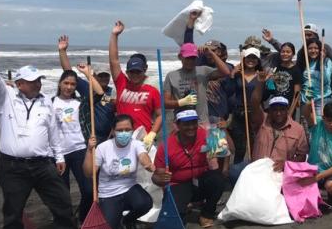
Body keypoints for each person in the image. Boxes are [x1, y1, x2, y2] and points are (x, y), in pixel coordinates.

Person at [0, 39, 77, 229]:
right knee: (13, 213)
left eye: (39, 80)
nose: (38, 84)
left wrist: (58, 156)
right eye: (33, 81)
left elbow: (53, 132)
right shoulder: (6, 96)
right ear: (19, 83)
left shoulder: (46, 102)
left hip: (42, 164)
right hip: (13, 167)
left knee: (63, 203)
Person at [152, 107, 228, 229]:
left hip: (200, 179)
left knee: (218, 179)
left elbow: (226, 151)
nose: (191, 127)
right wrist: (160, 178)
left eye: (194, 122)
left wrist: (223, 169)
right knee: (175, 222)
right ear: (177, 125)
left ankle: (207, 213)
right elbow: (156, 177)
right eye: (186, 124)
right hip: (178, 183)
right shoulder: (165, 146)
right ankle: (183, 206)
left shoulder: (206, 134)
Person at [84, 115, 154, 229]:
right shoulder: (103, 147)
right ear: (113, 131)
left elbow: (143, 156)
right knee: (110, 228)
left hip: (129, 188)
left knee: (145, 203)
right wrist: (89, 150)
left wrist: (148, 164)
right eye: (120, 130)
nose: (124, 133)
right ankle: (118, 222)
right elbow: (88, 173)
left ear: (132, 130)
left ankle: (126, 221)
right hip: (108, 193)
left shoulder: (136, 144)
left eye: (127, 130)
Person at [52, 67, 100, 224]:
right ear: (60, 84)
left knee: (88, 190)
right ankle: (67, 221)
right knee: (62, 193)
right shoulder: (50, 103)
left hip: (81, 150)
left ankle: (83, 218)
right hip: (59, 154)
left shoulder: (81, 102)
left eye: (73, 84)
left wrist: (88, 74)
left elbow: (102, 95)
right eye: (66, 83)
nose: (69, 87)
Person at [108, 21, 162, 149]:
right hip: (122, 136)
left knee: (145, 168)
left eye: (138, 71)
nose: (135, 75)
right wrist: (114, 35)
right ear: (127, 72)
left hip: (144, 139)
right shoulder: (122, 83)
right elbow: (113, 60)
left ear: (144, 71)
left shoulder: (152, 91)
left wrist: (153, 133)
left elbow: (160, 115)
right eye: (131, 72)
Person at [57, 35, 115, 144]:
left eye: (106, 76)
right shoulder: (86, 87)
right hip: (90, 136)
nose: (104, 78)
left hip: (108, 138)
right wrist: (62, 52)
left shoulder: (113, 92)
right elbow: (68, 73)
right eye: (101, 75)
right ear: (94, 75)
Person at [163, 42, 230, 125]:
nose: (190, 61)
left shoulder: (203, 71)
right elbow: (165, 103)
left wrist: (211, 53)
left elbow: (226, 72)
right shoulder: (171, 76)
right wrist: (181, 102)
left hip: (202, 123)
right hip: (181, 123)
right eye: (187, 58)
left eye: (193, 58)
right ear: (180, 57)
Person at [303, 102, 332, 201]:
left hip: (331, 172)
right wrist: (309, 102)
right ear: (323, 118)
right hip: (312, 169)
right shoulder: (318, 124)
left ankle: (327, 195)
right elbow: (306, 114)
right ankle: (319, 194)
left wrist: (319, 176)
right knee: (299, 182)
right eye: (329, 121)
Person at [298, 37, 332, 118]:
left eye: (316, 48)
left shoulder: (327, 61)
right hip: (306, 99)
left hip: (322, 99)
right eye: (310, 48)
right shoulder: (304, 62)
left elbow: (326, 81)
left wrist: (321, 63)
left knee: (319, 125)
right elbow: (301, 82)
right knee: (305, 125)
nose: (313, 51)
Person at [262, 41, 302, 110]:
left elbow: (296, 93)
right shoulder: (275, 68)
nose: (285, 54)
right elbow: (271, 88)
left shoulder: (296, 70)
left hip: (288, 106)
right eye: (283, 52)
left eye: (288, 52)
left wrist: (291, 110)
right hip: (274, 105)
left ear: (293, 54)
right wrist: (267, 80)